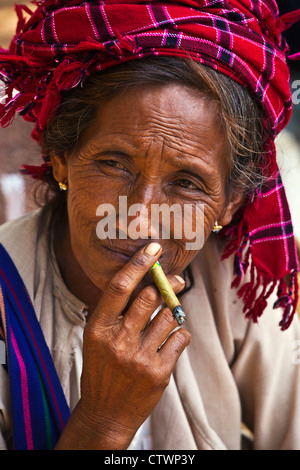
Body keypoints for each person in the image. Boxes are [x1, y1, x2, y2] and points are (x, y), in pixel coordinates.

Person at [0, 0, 300, 451]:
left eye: (187, 182)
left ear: (230, 205)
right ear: (61, 160)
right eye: (114, 163)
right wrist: (104, 422)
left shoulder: (236, 286)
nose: (140, 216)